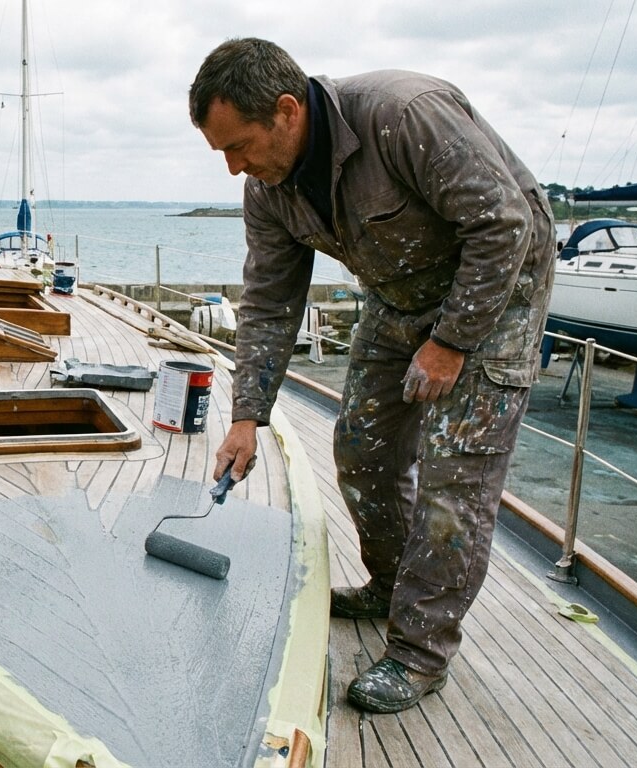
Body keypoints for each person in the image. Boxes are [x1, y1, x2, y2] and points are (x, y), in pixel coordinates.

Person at [189, 38, 555, 714]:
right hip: (399, 294)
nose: (233, 167)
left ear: (288, 111)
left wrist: (451, 343)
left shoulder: (406, 114)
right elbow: (271, 300)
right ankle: (390, 585)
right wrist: (247, 414)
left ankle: (420, 653)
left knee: (456, 483)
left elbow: (504, 227)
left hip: (499, 289)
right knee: (362, 450)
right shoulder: (267, 190)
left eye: (237, 146)